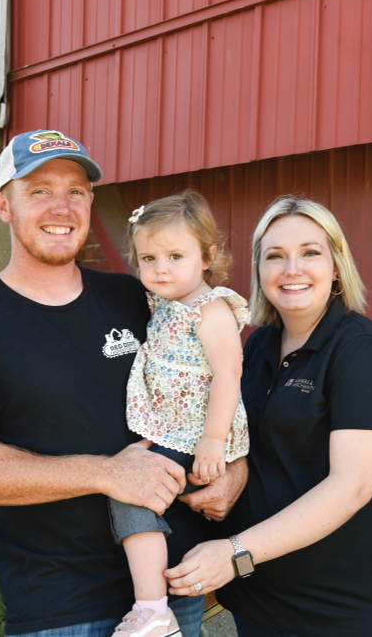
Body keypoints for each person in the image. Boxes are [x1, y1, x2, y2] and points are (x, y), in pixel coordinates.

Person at [0, 129, 246, 637]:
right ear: (3, 206)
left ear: (90, 202)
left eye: (75, 191)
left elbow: (216, 380)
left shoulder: (140, 298)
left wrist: (233, 471)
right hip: (61, 606)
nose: (61, 207)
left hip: (176, 588)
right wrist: (105, 473)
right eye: (39, 191)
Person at [165, 196, 372, 636]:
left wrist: (234, 552)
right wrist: (231, 473)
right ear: (260, 272)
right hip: (257, 599)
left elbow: (352, 486)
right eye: (275, 256)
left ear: (336, 266)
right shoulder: (257, 346)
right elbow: (248, 438)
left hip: (337, 608)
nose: (292, 269)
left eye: (311, 253)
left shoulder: (363, 352)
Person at [108, 191, 250, 637]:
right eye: (147, 257)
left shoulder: (210, 309)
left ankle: (152, 611)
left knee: (132, 489)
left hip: (197, 433)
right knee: (132, 488)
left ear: (208, 256)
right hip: (173, 426)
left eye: (175, 255)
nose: (160, 268)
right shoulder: (166, 304)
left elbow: (229, 372)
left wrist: (212, 442)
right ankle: (156, 604)